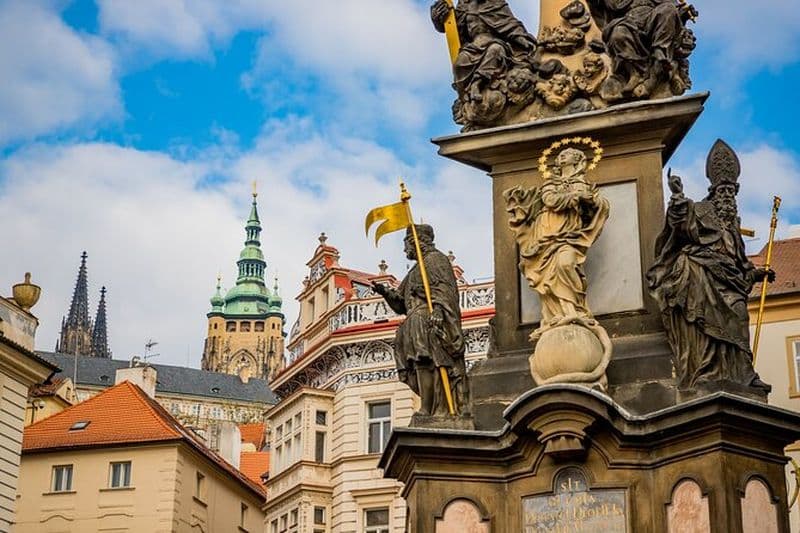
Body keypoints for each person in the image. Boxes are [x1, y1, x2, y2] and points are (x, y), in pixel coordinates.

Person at [647, 142, 773, 391]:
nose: (727, 195)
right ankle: (708, 371)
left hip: (730, 285)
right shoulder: (703, 210)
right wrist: (678, 197)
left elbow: (738, 261)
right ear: (713, 191)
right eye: (722, 190)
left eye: (731, 190)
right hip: (704, 279)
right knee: (711, 326)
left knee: (740, 315)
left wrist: (756, 273)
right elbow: (682, 222)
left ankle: (743, 374)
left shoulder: (733, 227)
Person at [506, 148, 609, 328]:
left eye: (568, 154)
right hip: (546, 230)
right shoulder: (551, 181)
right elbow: (550, 200)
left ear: (577, 160)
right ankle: (561, 312)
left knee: (566, 263)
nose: (562, 155)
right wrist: (576, 196)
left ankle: (577, 310)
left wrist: (593, 203)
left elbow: (589, 212)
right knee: (547, 275)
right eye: (561, 154)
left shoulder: (583, 183)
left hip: (569, 233)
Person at [372, 225, 468, 417]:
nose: (404, 250)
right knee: (418, 363)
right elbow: (401, 304)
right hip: (414, 321)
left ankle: (429, 408)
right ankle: (428, 407)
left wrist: (439, 311)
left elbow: (446, 293)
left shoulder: (436, 260)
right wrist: (385, 293)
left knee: (426, 361)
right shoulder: (417, 268)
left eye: (406, 244)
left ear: (416, 242)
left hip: (427, 319)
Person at [431, 0, 536, 102]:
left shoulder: (495, 3)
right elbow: (453, 27)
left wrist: (524, 41)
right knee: (459, 63)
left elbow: (509, 24)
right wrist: (439, 20)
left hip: (493, 42)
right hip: (473, 47)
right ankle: (465, 96)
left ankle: (477, 84)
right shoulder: (463, 7)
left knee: (495, 50)